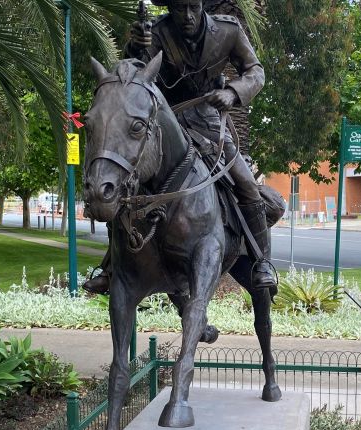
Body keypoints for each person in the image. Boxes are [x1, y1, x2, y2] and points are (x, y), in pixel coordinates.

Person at [82, 0, 276, 294]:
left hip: (209, 124)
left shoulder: (228, 30)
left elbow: (255, 71)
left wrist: (233, 93)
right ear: (169, 7)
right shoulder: (156, 32)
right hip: (164, 126)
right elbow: (131, 79)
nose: (187, 15)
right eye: (178, 8)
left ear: (202, 6)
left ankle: (262, 263)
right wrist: (135, 49)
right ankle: (112, 267)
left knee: (247, 184)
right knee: (124, 180)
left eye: (193, 7)